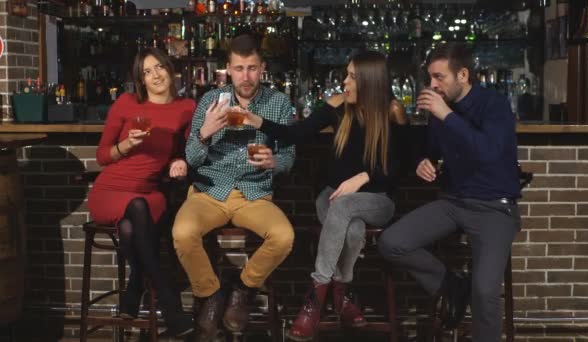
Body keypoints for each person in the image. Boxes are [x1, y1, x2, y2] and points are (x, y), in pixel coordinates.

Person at [243, 50, 407, 341]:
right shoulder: (337, 106)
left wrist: (363, 177)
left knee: (344, 207)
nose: (345, 82)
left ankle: (313, 302)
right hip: (332, 195)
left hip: (377, 199)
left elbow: (398, 168)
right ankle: (341, 295)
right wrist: (257, 121)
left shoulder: (393, 111)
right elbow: (293, 135)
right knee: (352, 229)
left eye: (352, 77)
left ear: (370, 81)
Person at [378, 42, 521, 342]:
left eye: (439, 77)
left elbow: (490, 153)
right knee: (391, 242)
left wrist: (446, 115)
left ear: (463, 75)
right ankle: (453, 285)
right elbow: (432, 150)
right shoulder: (440, 110)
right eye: (430, 77)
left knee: (484, 291)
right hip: (454, 202)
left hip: (495, 207)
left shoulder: (493, 105)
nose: (432, 84)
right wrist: (423, 161)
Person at [171, 34, 296, 340]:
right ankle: (211, 294)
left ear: (262, 67)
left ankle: (243, 288)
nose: (246, 76)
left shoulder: (278, 102)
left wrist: (274, 161)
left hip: (254, 194)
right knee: (182, 234)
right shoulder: (211, 102)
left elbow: (290, 156)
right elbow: (192, 158)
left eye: (252, 68)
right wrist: (204, 132)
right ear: (228, 69)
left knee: (284, 237)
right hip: (210, 190)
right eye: (239, 69)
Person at [87, 47, 195, 337]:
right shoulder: (126, 102)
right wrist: (127, 146)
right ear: (141, 80)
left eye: (159, 67)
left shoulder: (187, 108)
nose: (155, 75)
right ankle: (170, 303)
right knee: (134, 209)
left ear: (170, 69)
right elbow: (101, 155)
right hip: (111, 188)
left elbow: (186, 151)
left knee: (131, 226)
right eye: (147, 72)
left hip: (149, 192)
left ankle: (134, 287)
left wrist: (179, 161)